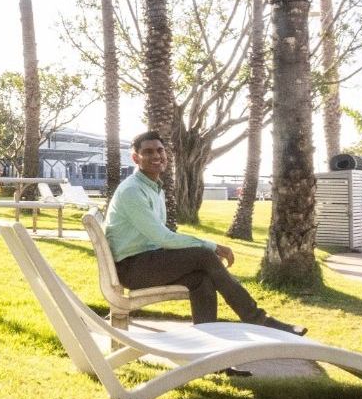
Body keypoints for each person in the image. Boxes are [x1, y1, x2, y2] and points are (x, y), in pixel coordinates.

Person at [103, 131, 306, 336]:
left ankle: (207, 339)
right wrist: (213, 246)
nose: (156, 155)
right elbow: (163, 238)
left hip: (147, 261)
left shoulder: (154, 188)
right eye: (148, 152)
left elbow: (160, 238)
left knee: (202, 279)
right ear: (135, 158)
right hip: (132, 269)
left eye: (160, 150)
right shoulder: (132, 191)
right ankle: (258, 319)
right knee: (204, 256)